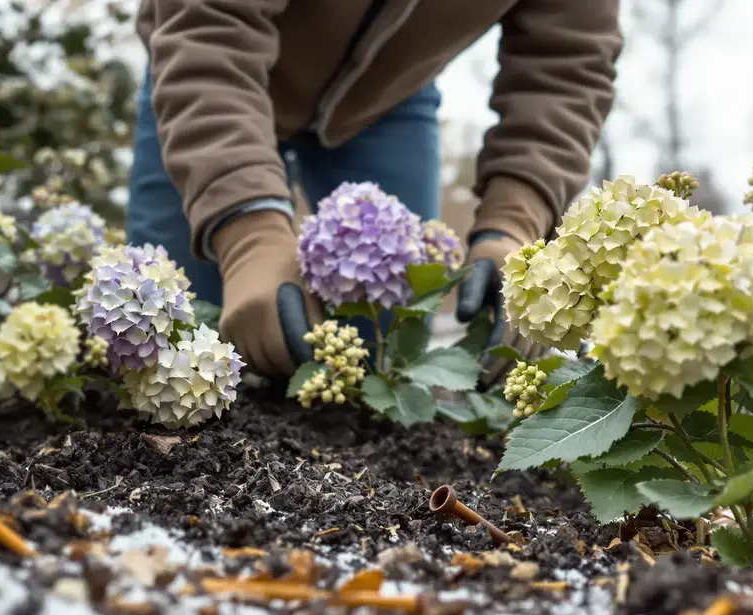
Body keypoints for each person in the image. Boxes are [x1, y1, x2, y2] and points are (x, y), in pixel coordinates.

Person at [128, 0, 622, 383]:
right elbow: (209, 20)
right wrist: (246, 233)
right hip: (205, 71)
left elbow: (567, 64)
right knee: (170, 338)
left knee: (381, 350)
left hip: (384, 101)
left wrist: (514, 224)